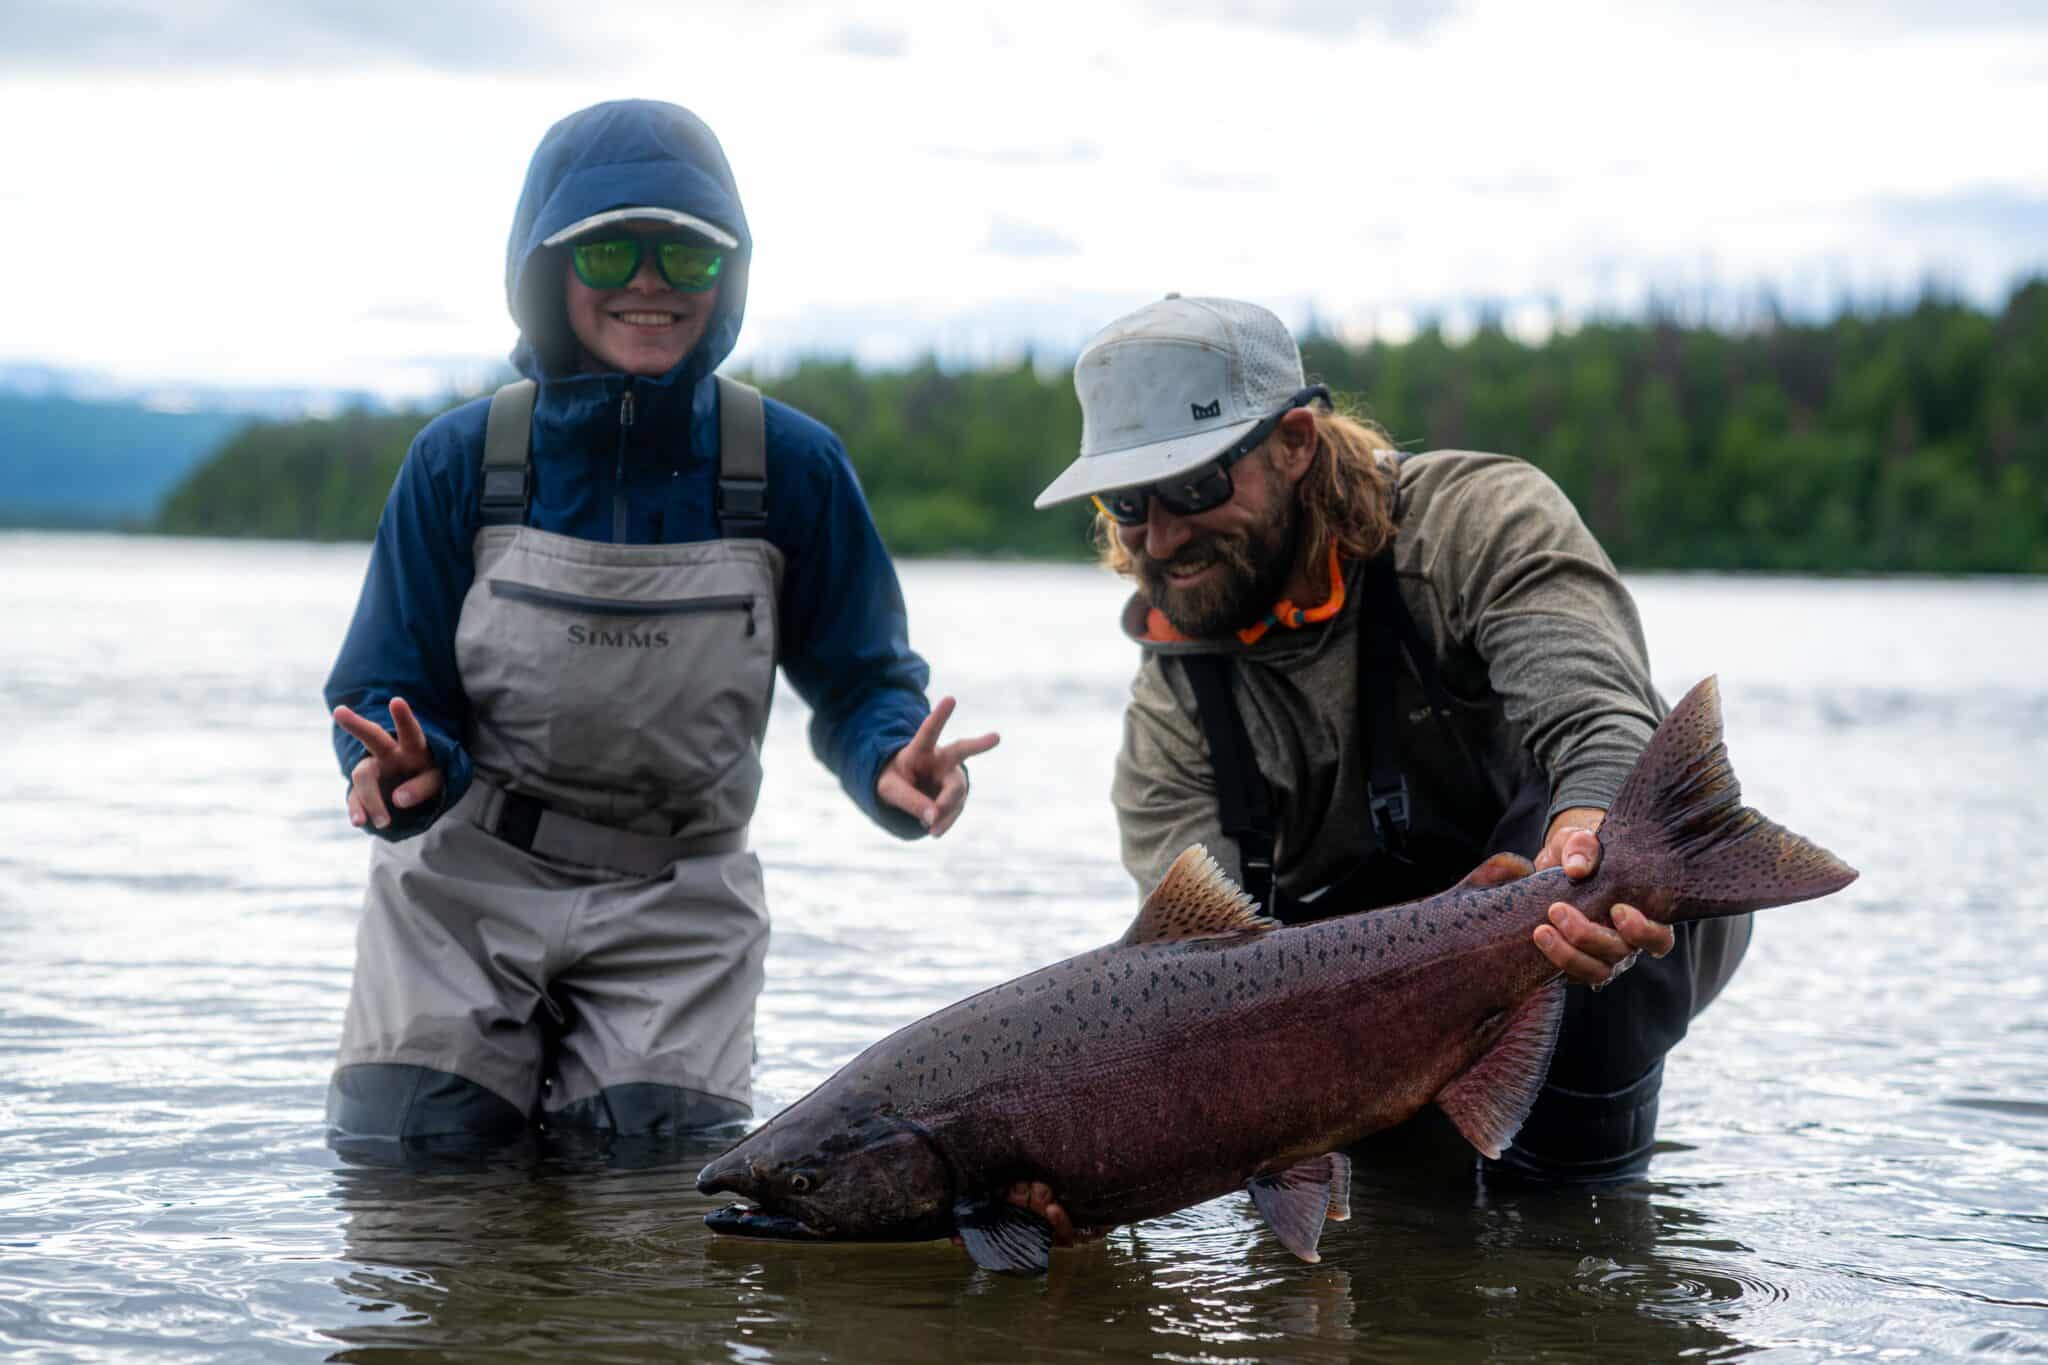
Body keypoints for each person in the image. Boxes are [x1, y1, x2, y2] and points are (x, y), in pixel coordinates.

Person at [321, 99, 995, 1150]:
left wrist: (888, 769)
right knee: (412, 1177)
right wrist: (404, 771)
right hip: (463, 885)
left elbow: (863, 683)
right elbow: (383, 685)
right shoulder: (459, 460)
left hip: (681, 897)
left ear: (727, 277)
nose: (647, 282)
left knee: (653, 1200)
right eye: (610, 252)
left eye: (684, 257)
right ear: (547, 269)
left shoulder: (790, 466)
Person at [1030, 293, 1752, 1203]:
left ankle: (1583, 1209)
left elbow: (1601, 723)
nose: (1162, 535)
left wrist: (1586, 847)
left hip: (1598, 936)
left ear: (1295, 442)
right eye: (1128, 501)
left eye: (1196, 485)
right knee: (1395, 1248)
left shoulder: (1478, 522)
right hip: (1363, 1017)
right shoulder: (1170, 715)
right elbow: (1195, 985)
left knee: (1607, 872)